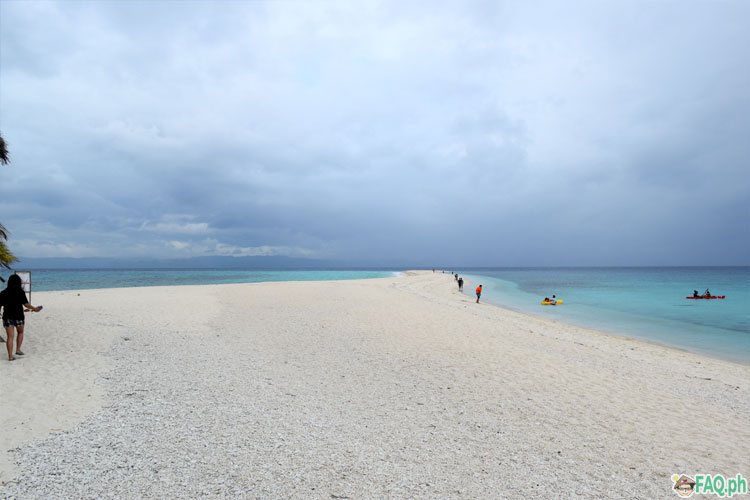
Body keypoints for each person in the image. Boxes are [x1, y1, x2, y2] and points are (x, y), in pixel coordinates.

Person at [1, 274, 42, 361]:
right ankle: (18, 349)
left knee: (10, 337)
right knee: (20, 332)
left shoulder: (3, 292)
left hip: (7, 316)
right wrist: (35, 308)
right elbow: (26, 304)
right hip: (18, 316)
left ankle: (10, 357)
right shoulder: (20, 292)